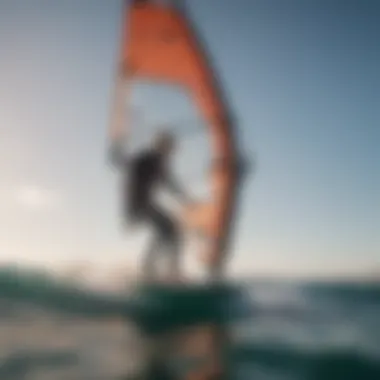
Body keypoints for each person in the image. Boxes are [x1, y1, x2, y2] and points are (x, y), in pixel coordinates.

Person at [109, 130, 191, 282]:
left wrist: (186, 198)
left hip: (144, 205)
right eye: (169, 148)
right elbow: (121, 162)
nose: (170, 153)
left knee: (169, 231)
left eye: (171, 149)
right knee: (170, 228)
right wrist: (116, 147)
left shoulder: (159, 163)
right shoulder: (147, 158)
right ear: (161, 146)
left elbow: (169, 182)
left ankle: (159, 269)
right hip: (137, 205)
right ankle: (161, 270)